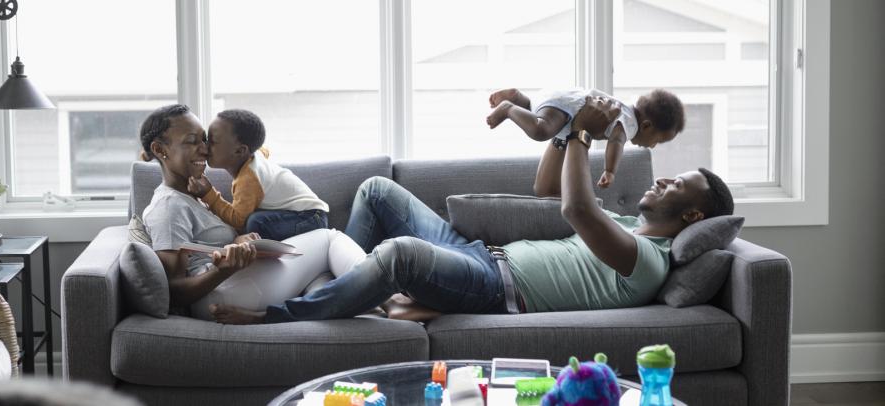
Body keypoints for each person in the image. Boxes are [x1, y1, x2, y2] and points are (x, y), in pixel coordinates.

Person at [211, 97, 734, 324]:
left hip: (494, 290)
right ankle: (363, 292)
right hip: (482, 256)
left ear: (692, 216)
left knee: (400, 254)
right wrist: (561, 133)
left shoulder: (647, 258)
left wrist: (580, 131)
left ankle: (285, 314)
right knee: (375, 189)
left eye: (677, 183)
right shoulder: (624, 225)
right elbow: (547, 189)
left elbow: (576, 209)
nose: (663, 177)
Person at [137, 104, 366, 322]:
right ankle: (389, 295)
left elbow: (208, 244)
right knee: (329, 239)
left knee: (322, 278)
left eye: (204, 140)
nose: (205, 149)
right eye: (191, 141)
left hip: (236, 284)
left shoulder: (191, 194)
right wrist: (222, 271)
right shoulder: (168, 205)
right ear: (160, 150)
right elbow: (173, 289)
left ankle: (367, 306)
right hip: (222, 292)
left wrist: (237, 240)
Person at [485, 88, 685, 193]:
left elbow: (544, 190)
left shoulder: (622, 107)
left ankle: (520, 99)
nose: (652, 146)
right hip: (567, 107)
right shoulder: (629, 124)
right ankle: (509, 108)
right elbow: (616, 142)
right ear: (647, 126)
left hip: (562, 101)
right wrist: (610, 170)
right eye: (657, 140)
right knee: (540, 130)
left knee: (536, 115)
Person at [186, 109, 330, 241]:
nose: (205, 146)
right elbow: (263, 151)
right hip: (307, 216)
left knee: (256, 222)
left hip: (311, 219)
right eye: (206, 140)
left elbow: (237, 220)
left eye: (213, 142)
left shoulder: (248, 179)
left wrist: (208, 194)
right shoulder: (253, 156)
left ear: (240, 151)